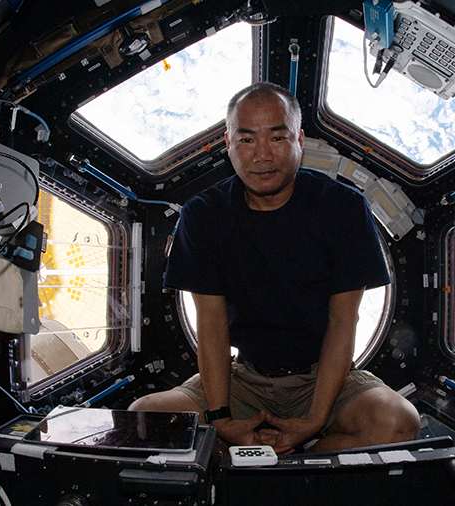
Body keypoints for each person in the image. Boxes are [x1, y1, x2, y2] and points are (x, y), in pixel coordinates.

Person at [129, 82, 419, 453]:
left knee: (397, 424)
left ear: (299, 139)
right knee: (145, 418)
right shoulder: (204, 214)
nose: (262, 155)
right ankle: (242, 465)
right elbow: (212, 322)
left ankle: (301, 465)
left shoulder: (342, 208)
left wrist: (313, 422)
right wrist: (222, 419)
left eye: (277, 138)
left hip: (324, 379)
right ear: (228, 143)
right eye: (247, 140)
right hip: (242, 380)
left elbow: (343, 322)